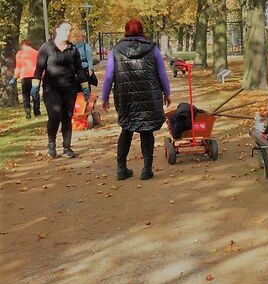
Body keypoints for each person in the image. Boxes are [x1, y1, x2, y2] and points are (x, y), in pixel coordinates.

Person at [101, 19, 171, 181]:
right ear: (142, 31)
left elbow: (109, 76)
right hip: (149, 95)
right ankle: (147, 170)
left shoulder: (116, 50)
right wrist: (167, 93)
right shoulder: (152, 49)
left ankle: (121, 169)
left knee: (126, 128)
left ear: (126, 31)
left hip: (125, 95)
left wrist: (105, 97)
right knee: (147, 130)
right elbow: (162, 73)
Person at [33, 21, 90, 158]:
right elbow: (39, 69)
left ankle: (67, 147)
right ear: (57, 30)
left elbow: (79, 70)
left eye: (70, 30)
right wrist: (35, 86)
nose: (68, 33)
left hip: (69, 88)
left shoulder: (73, 49)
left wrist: (85, 86)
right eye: (65, 30)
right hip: (51, 88)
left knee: (67, 116)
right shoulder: (46, 47)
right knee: (55, 116)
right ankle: (51, 144)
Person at [9, 40, 40, 119]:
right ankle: (36, 111)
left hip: (24, 76)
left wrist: (15, 77)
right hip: (35, 76)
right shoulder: (36, 53)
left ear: (23, 45)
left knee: (25, 94)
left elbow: (18, 67)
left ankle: (27, 110)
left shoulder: (20, 54)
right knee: (35, 93)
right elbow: (40, 65)